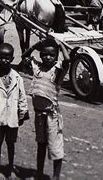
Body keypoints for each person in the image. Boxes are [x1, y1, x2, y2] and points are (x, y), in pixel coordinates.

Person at [22, 37, 70, 180]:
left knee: (55, 146)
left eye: (51, 55)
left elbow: (67, 61)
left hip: (52, 115)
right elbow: (24, 57)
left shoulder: (57, 71)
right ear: (40, 55)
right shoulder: (37, 68)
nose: (47, 57)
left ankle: (56, 176)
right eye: (44, 54)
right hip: (39, 115)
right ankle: (39, 172)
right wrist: (35, 45)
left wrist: (61, 46)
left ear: (56, 57)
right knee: (41, 144)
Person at [0, 43, 29, 177]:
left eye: (7, 58)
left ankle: (10, 166)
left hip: (13, 117)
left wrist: (22, 114)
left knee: (11, 143)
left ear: (12, 58)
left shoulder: (17, 78)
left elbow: (22, 97)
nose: (4, 60)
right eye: (1, 57)